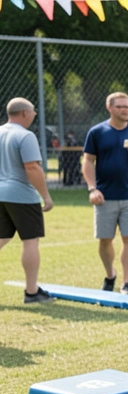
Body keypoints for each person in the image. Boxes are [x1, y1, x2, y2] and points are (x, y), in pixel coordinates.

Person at [83, 91, 128, 295]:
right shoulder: (97, 132)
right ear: (110, 108)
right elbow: (87, 161)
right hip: (104, 195)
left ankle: (127, 283)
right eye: (121, 107)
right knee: (105, 240)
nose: (126, 110)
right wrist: (92, 188)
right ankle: (110, 275)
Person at [1, 98, 54, 303]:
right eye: (33, 112)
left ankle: (32, 290)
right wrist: (46, 196)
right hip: (21, 195)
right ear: (24, 113)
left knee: (2, 238)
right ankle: (32, 291)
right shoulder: (26, 135)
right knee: (30, 241)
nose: (34, 115)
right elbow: (32, 167)